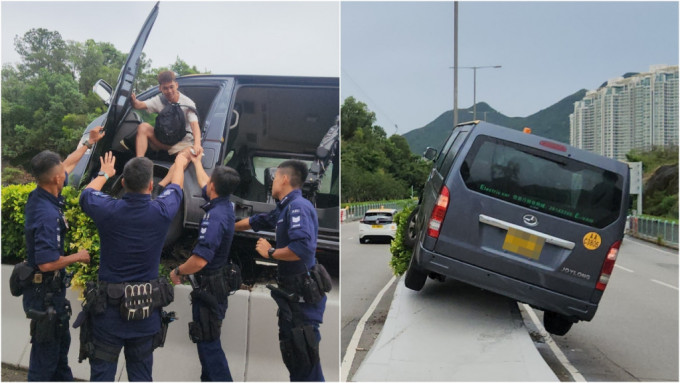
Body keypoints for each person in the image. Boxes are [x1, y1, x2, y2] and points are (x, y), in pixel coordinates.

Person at [78, 150, 190, 381]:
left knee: (102, 376)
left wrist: (103, 173)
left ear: (122, 182)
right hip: (145, 314)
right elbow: (176, 187)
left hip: (107, 315)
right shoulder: (161, 211)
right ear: (150, 186)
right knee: (141, 375)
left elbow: (86, 194)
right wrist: (179, 162)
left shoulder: (107, 209)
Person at [21, 126, 104, 381]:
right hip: (44, 295)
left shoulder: (44, 192)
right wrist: (78, 256)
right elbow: (47, 264)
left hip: (50, 295)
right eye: (61, 173)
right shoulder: (46, 215)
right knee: (45, 361)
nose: (65, 173)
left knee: (58, 353)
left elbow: (67, 164)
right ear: (56, 179)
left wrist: (88, 144)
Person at [234, 160, 327, 382]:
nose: (272, 183)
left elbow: (302, 248)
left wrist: (271, 252)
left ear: (284, 178)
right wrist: (228, 224)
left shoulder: (298, 207)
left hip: (302, 298)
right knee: (297, 361)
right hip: (293, 299)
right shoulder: (285, 207)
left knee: (305, 363)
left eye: (274, 178)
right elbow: (257, 220)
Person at [168, 153, 241, 381]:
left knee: (209, 344)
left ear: (213, 186)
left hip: (210, 287)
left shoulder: (215, 217)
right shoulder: (224, 204)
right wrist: (198, 161)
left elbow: (200, 260)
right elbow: (203, 181)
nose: (206, 182)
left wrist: (178, 271)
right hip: (216, 285)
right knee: (206, 342)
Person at [125, 70, 203, 158]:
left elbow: (194, 124)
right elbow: (139, 105)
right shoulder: (159, 100)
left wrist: (197, 144)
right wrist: (133, 99)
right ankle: (139, 162)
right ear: (160, 88)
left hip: (182, 144)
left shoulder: (188, 102)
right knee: (143, 127)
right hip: (163, 141)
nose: (169, 91)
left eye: (171, 87)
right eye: (165, 88)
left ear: (176, 85)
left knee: (185, 155)